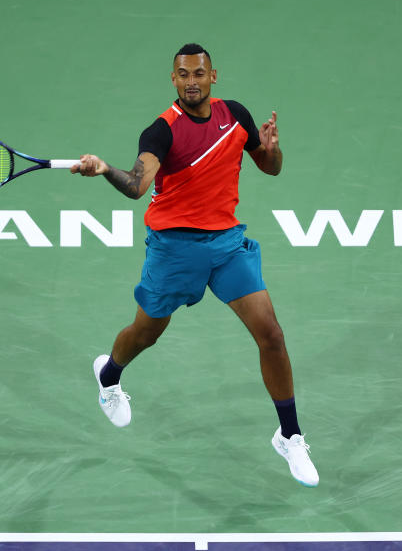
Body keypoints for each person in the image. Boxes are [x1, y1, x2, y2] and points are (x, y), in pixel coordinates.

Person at [71, 43, 318, 487]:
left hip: (226, 244)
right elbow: (136, 184)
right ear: (173, 80)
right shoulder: (161, 132)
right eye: (183, 74)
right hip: (173, 249)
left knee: (272, 335)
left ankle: (290, 435)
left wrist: (274, 149)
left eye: (198, 74)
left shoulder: (236, 115)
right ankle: (109, 375)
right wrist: (105, 168)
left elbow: (270, 167)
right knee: (146, 333)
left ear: (213, 76)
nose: (191, 82)